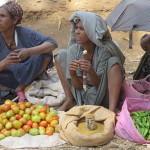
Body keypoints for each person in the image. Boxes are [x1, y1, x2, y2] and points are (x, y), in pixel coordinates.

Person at [54, 11, 125, 113]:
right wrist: (73, 74)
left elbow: (101, 87)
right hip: (82, 95)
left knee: (114, 62)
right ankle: (71, 100)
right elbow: (79, 86)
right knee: (61, 54)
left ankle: (111, 111)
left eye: (82, 29)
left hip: (102, 96)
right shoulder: (74, 50)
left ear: (91, 32)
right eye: (76, 28)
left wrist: (90, 71)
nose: (77, 32)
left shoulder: (103, 52)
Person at [0, 1, 58, 101]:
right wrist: (4, 63)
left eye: (2, 16)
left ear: (14, 20)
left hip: (25, 76)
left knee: (44, 53)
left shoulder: (24, 33)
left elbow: (52, 43)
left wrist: (29, 51)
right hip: (6, 78)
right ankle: (8, 91)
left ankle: (21, 87)